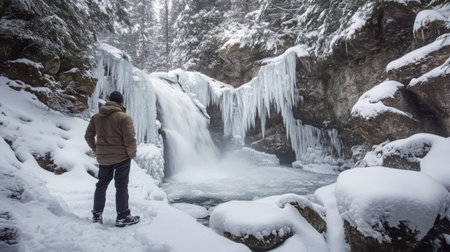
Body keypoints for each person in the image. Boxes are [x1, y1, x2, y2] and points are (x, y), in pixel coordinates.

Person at [85, 91, 140, 227]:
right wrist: (131, 154)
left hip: (104, 158)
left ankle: (97, 215)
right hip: (122, 157)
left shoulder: (97, 117)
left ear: (109, 101)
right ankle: (122, 216)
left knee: (101, 185)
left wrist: (97, 149)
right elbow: (130, 139)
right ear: (121, 103)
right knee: (121, 186)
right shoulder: (124, 117)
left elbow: (88, 136)